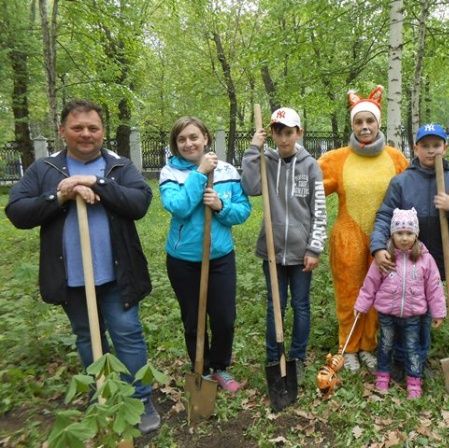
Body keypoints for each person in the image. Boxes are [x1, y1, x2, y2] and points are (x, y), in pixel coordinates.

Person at [5, 99, 160, 433]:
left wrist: (96, 184)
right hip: (72, 277)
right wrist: (61, 196)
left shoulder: (118, 166)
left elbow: (140, 202)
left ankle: (141, 400)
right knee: (89, 339)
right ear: (62, 131)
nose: (86, 134)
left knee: (128, 336)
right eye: (78, 128)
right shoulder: (45, 170)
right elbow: (17, 211)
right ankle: (101, 394)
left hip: (118, 275)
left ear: (103, 131)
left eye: (93, 128)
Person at [370, 123, 449, 380]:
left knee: (422, 314)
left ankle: (418, 358)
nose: (431, 151)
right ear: (416, 148)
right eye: (425, 146)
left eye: (436, 146)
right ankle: (397, 359)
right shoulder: (402, 182)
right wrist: (377, 247)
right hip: (402, 261)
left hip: (434, 263)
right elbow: (385, 216)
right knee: (398, 312)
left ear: (446, 147)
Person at [318, 86, 408, 373]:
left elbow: (411, 191)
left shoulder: (395, 158)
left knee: (378, 293)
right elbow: (310, 188)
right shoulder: (337, 159)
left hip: (384, 238)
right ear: (352, 125)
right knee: (349, 292)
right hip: (347, 236)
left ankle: (369, 344)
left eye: (370, 121)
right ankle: (349, 346)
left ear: (378, 123)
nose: (365, 127)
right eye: (359, 121)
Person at [160, 116, 251, 392]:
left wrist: (221, 205)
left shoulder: (227, 171)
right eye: (182, 139)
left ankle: (220, 367)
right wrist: (199, 174)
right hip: (183, 260)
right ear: (175, 145)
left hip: (220, 257)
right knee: (193, 318)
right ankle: (200, 368)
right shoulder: (170, 173)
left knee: (223, 317)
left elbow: (243, 211)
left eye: (193, 137)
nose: (189, 143)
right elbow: (179, 207)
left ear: (206, 138)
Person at [241, 107, 327, 382]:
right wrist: (254, 150)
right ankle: (272, 356)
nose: (284, 138)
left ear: (298, 133)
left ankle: (298, 357)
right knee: (274, 305)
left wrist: (314, 248)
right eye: (278, 132)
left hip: (302, 252)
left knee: (300, 305)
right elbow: (251, 186)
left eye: (289, 132)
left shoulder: (311, 166)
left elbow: (320, 210)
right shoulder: (267, 161)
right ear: (273, 134)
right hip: (273, 250)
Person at [354, 208, 446, 399]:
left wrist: (438, 312)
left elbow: (434, 287)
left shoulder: (425, 259)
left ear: (416, 234)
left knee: (412, 348)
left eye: (409, 233)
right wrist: (361, 306)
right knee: (385, 346)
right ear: (392, 233)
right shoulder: (385, 258)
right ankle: (382, 376)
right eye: (399, 233)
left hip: (413, 315)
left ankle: (414, 380)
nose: (404, 238)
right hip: (387, 314)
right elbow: (370, 283)